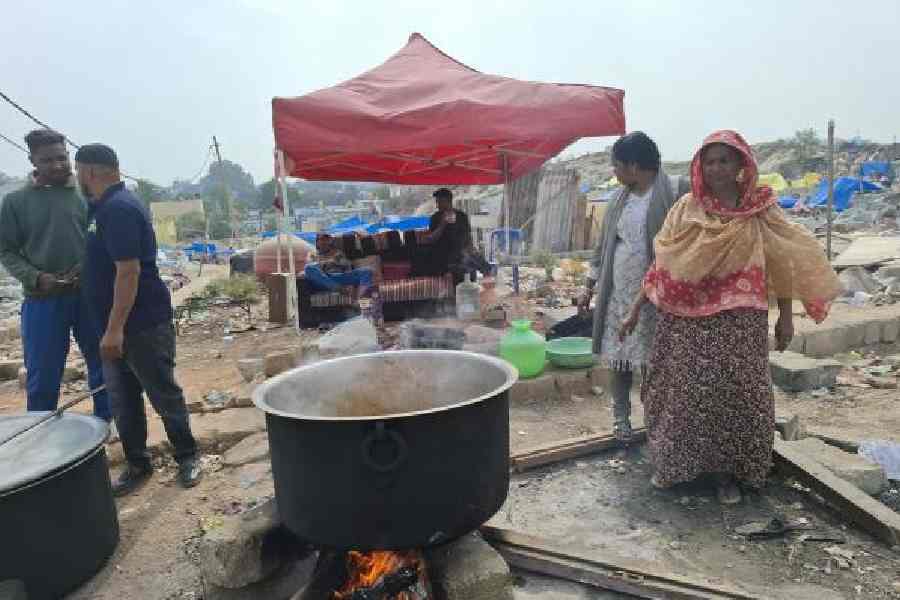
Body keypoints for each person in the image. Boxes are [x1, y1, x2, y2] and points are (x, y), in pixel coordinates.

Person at [621, 130, 842, 504]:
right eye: (710, 161)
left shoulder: (760, 210)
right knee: (681, 394)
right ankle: (675, 467)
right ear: (700, 167)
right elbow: (663, 264)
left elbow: (782, 264)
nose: (717, 168)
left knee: (737, 397)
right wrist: (634, 308)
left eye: (725, 160)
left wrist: (785, 318)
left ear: (742, 164)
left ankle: (730, 476)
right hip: (685, 321)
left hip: (740, 320)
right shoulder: (686, 208)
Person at [74, 143, 201, 496]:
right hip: (113, 327)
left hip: (140, 325)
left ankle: (188, 456)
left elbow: (128, 272)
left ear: (89, 172)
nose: (77, 178)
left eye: (78, 171)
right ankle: (137, 464)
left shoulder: (118, 209)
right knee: (123, 401)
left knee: (163, 393)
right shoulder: (100, 209)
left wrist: (114, 330)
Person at [580, 132, 689, 443]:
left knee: (654, 362)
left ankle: (657, 421)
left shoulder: (675, 191)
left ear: (633, 165)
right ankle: (621, 419)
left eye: (616, 166)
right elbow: (603, 248)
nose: (614, 173)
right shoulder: (619, 199)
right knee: (620, 356)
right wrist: (589, 286)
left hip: (658, 296)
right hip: (619, 293)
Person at [0, 129, 110, 420]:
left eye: (62, 158)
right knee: (43, 375)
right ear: (33, 160)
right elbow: (5, 251)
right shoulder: (15, 203)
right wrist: (36, 277)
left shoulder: (85, 196)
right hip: (42, 300)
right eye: (48, 160)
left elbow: (101, 237)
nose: (58, 165)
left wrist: (89, 265)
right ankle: (42, 433)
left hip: (88, 296)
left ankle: (106, 425)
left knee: (103, 365)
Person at [416, 188, 492, 282]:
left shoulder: (461, 216)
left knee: (479, 261)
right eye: (437, 202)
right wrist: (442, 224)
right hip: (443, 253)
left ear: (448, 201)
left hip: (461, 251)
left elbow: (468, 239)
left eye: (439, 202)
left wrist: (471, 251)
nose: (437, 205)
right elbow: (432, 239)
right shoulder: (435, 217)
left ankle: (489, 282)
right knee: (465, 261)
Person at [304, 233, 373, 292]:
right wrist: (330, 262)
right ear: (317, 242)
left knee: (367, 271)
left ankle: (360, 298)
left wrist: (350, 285)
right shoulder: (312, 254)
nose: (323, 242)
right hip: (322, 280)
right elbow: (311, 269)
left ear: (330, 241)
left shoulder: (338, 252)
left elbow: (347, 267)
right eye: (320, 239)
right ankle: (337, 288)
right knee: (308, 268)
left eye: (325, 239)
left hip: (338, 277)